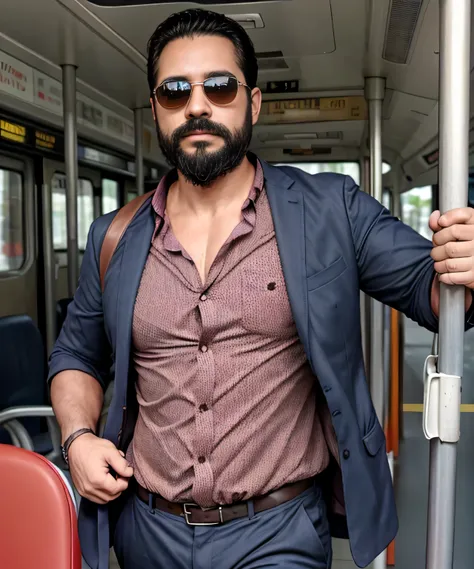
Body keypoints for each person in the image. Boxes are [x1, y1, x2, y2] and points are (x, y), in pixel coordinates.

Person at [48, 8, 474, 569]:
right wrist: (77, 439)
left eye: (219, 87)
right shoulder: (115, 237)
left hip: (278, 532)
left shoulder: (331, 210)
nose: (196, 105)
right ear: (156, 109)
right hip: (146, 530)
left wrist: (463, 264)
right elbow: (76, 354)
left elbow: (432, 292)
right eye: (175, 92)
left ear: (252, 102)